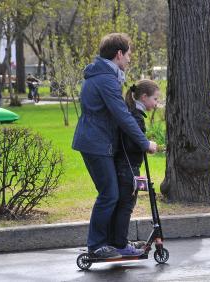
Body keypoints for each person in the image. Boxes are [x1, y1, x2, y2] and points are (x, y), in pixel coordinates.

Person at [72, 33, 157, 259]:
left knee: (112, 194)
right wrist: (144, 142)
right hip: (95, 143)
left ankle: (113, 242)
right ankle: (97, 245)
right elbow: (121, 115)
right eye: (128, 54)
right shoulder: (106, 79)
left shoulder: (103, 75)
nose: (130, 59)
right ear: (119, 54)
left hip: (97, 141)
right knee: (109, 194)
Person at [108, 79, 160, 255]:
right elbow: (131, 144)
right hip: (128, 168)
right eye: (155, 99)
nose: (156, 103)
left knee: (123, 205)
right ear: (144, 97)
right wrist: (147, 144)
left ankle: (117, 240)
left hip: (125, 166)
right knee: (126, 206)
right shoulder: (136, 117)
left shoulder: (131, 113)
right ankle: (121, 245)